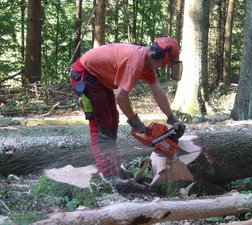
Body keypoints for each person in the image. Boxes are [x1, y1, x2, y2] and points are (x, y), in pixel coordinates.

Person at [69, 37, 185, 181]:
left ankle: (114, 167)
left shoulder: (147, 64)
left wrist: (171, 118)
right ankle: (107, 173)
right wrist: (135, 121)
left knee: (113, 119)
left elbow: (157, 91)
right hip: (85, 75)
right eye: (163, 63)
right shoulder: (135, 62)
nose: (162, 67)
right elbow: (121, 97)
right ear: (157, 55)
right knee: (102, 123)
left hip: (99, 78)